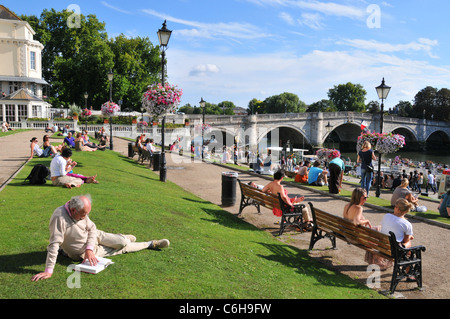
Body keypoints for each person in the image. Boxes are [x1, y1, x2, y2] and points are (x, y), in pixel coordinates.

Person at [31, 195, 170, 281]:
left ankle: (122, 238)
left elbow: (92, 228)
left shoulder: (80, 210)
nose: (85, 217)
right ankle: (151, 244)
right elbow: (54, 244)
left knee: (121, 241)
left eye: (86, 214)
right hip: (81, 252)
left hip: (94, 237)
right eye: (83, 215)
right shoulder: (59, 218)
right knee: (124, 247)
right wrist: (48, 271)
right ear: (73, 210)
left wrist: (89, 248)